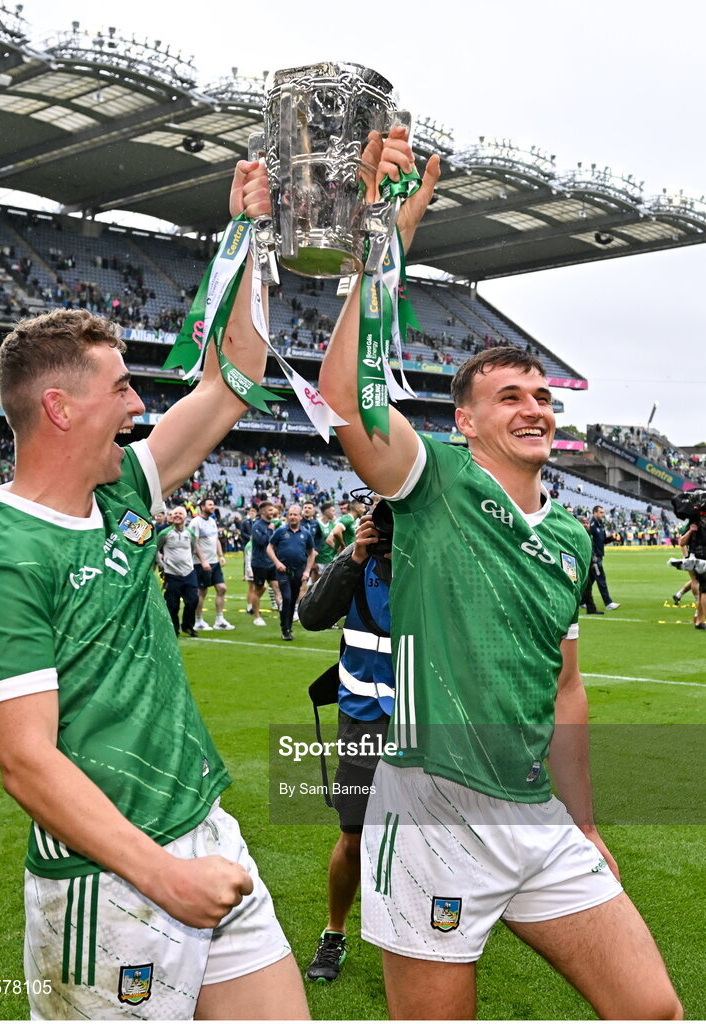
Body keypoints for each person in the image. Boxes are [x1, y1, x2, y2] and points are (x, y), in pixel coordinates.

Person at [315, 126, 681, 1020]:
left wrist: (586, 819)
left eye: (544, 398)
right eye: (510, 397)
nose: (534, 410)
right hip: (433, 808)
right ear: (466, 422)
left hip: (537, 816)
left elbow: (566, 689)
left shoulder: (570, 539)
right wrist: (377, 235)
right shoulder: (432, 483)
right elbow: (344, 398)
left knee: (654, 1008)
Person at [0, 159, 309, 1021]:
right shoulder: (1, 564)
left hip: (206, 833)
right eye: (121, 390)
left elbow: (233, 381)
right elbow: (26, 763)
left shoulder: (122, 492)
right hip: (109, 884)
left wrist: (250, 242)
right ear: (63, 409)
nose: (140, 405)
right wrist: (163, 875)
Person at [299, 510, 394, 982]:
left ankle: (429, 926)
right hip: (361, 720)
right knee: (353, 837)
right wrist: (354, 556)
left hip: (423, 723)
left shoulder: (436, 563)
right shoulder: (355, 561)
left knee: (432, 835)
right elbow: (313, 616)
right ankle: (334, 933)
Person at [267, 503, 316, 641]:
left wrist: (307, 571)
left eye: (295, 514)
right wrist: (277, 563)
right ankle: (285, 629)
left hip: (299, 572)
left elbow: (312, 553)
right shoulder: (281, 531)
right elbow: (269, 548)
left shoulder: (306, 534)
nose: (292, 517)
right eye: (290, 515)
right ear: (287, 516)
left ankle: (288, 627)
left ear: (300, 517)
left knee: (293, 600)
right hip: (283, 571)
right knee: (287, 598)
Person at [191, 496, 235, 630]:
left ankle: (219, 620)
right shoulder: (195, 522)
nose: (213, 507)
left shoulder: (212, 521)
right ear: (202, 507)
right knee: (201, 592)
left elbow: (216, 540)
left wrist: (221, 555)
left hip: (214, 561)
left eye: (213, 504)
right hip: (201, 563)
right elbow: (194, 543)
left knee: (222, 588)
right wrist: (203, 561)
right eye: (210, 505)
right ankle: (198, 621)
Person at [156, 505, 198, 637]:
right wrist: (161, 563)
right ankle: (174, 628)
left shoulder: (190, 533)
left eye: (180, 514)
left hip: (188, 572)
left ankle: (188, 626)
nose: (177, 516)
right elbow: (155, 548)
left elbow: (193, 549)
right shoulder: (165, 533)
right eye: (175, 514)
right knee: (172, 604)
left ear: (185, 517)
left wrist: (187, 562)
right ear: (171, 517)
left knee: (193, 600)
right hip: (171, 574)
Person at [249, 499, 278, 627]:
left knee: (277, 587)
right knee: (259, 589)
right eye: (270, 510)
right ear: (263, 511)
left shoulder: (272, 524)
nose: (273, 512)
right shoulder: (257, 526)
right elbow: (261, 542)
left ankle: (284, 613)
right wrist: (270, 531)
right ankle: (256, 616)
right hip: (259, 563)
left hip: (271, 563)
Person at [588, 505, 620, 610]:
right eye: (601, 512)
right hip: (594, 558)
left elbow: (602, 541)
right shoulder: (591, 525)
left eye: (603, 512)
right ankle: (608, 603)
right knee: (601, 579)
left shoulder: (600, 525)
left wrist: (611, 539)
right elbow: (589, 542)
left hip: (599, 555)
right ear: (595, 513)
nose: (603, 514)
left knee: (588, 582)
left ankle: (581, 601)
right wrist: (593, 556)